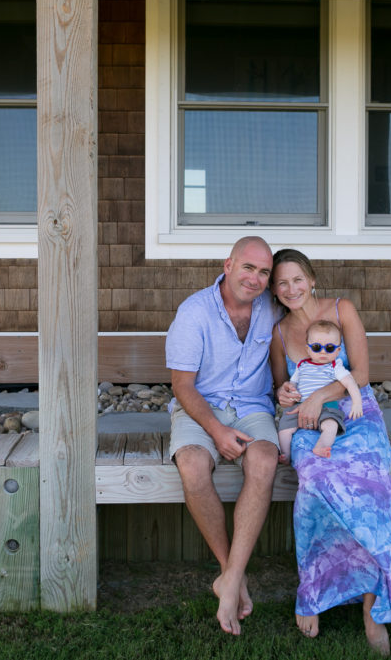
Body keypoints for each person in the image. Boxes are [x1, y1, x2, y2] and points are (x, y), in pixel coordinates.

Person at [270, 248, 391, 656]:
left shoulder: (341, 309)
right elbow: (281, 388)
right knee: (316, 481)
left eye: (297, 279)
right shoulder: (279, 333)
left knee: (368, 483)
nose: (291, 288)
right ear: (274, 290)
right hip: (308, 424)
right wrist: (286, 394)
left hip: (356, 414)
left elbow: (361, 375)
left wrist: (322, 397)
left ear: (312, 279)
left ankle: (372, 604)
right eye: (282, 283)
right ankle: (315, 589)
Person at [165, 235, 279, 636]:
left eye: (264, 272)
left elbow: (312, 313)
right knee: (192, 464)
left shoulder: (272, 307)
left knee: (264, 460)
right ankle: (231, 572)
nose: (255, 278)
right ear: (228, 265)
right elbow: (182, 385)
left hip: (252, 408)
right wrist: (216, 431)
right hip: (202, 407)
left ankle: (229, 580)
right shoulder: (194, 312)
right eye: (248, 267)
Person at [276, 319, 362, 461]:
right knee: (284, 428)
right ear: (308, 349)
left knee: (331, 425)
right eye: (316, 347)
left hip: (327, 407)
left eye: (329, 348)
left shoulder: (335, 366)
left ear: (338, 350)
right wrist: (292, 391)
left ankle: (321, 446)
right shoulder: (302, 365)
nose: (323, 352)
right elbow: (293, 383)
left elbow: (350, 383)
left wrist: (357, 402)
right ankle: (285, 454)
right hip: (300, 406)